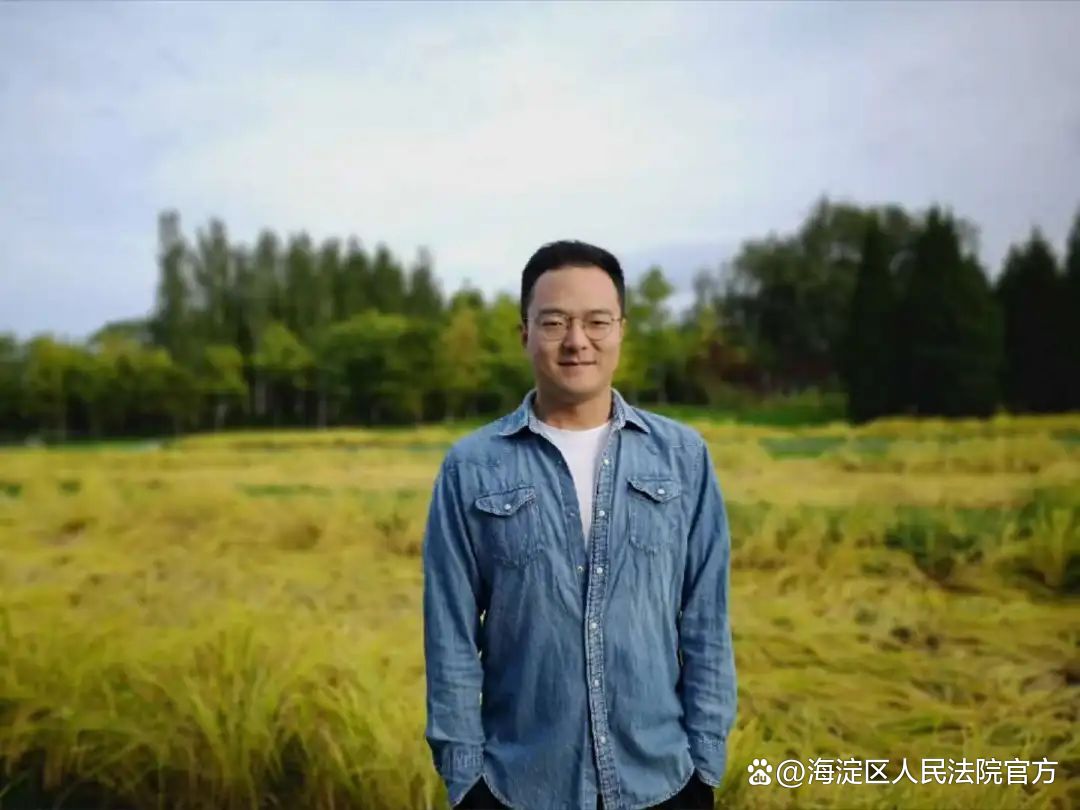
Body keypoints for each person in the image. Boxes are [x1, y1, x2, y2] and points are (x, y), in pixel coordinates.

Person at [422, 240, 737, 810]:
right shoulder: (471, 468)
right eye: (554, 322)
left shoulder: (682, 458)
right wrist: (466, 781)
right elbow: (449, 633)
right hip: (519, 787)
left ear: (621, 330)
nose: (576, 340)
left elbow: (706, 620)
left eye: (597, 321)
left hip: (664, 781)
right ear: (525, 333)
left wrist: (705, 764)